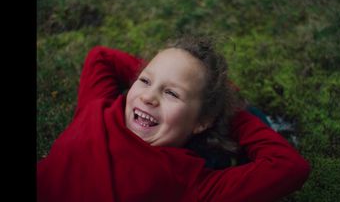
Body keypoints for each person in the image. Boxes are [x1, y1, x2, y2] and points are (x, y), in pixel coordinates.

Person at [37, 36, 310, 202]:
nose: (148, 97)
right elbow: (101, 57)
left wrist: (231, 110)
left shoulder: (192, 185)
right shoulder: (97, 107)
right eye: (144, 80)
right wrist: (164, 74)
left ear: (202, 120)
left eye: (171, 93)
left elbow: (289, 167)